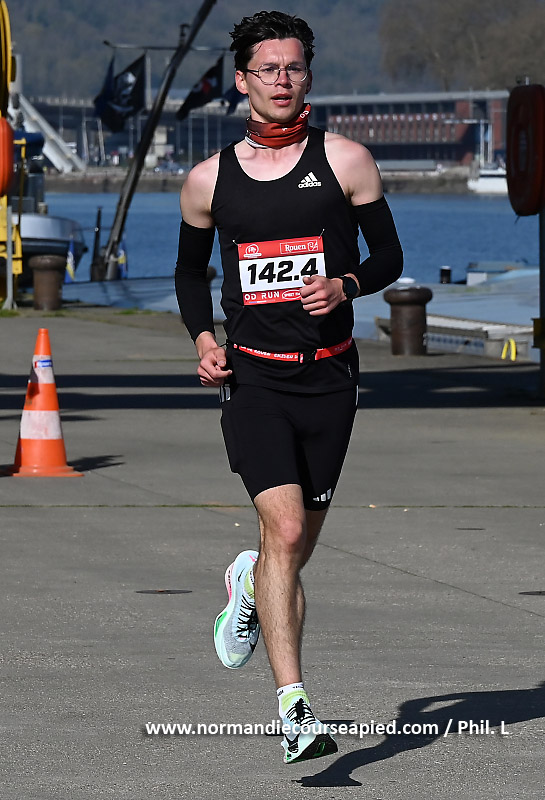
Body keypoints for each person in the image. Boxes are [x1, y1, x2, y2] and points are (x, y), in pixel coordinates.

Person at [176, 10, 403, 764]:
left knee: (292, 546)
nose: (282, 80)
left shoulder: (347, 160)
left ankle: (247, 586)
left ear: (308, 75)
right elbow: (189, 273)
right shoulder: (208, 180)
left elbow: (389, 257)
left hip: (331, 379)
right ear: (242, 80)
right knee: (288, 532)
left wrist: (346, 284)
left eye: (294, 67)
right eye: (267, 69)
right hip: (254, 380)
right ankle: (294, 710)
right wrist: (204, 341)